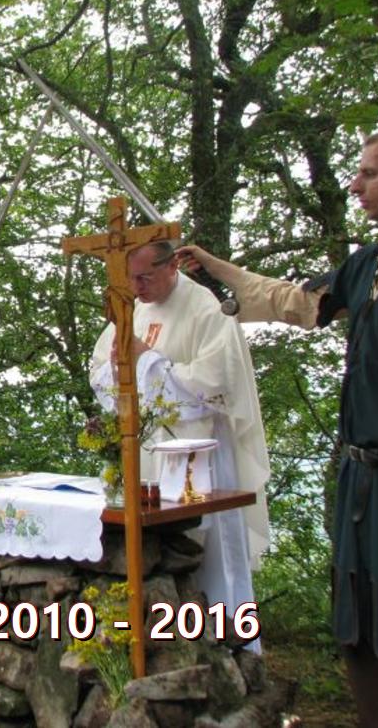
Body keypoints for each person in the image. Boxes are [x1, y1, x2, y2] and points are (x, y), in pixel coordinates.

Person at [177, 127, 378, 726]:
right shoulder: (368, 265)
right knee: (363, 631)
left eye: (369, 173)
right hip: (360, 484)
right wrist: (217, 268)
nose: (354, 185)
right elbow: (294, 303)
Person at [89, 240, 271, 652]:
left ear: (172, 265)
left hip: (200, 453)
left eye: (144, 277)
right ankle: (167, 644)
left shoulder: (205, 307)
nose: (136, 287)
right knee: (155, 549)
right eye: (129, 278)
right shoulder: (132, 308)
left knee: (213, 553)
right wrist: (117, 366)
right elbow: (100, 371)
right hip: (146, 449)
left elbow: (214, 382)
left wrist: (146, 360)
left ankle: (231, 645)